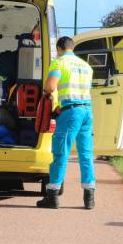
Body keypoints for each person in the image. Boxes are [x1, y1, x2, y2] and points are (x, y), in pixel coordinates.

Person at [36, 36, 95, 210]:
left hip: (70, 112)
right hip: (87, 111)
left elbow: (50, 87)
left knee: (61, 152)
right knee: (85, 154)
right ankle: (89, 198)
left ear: (59, 48)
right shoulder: (86, 66)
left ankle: (52, 197)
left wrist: (48, 94)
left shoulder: (59, 63)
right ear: (72, 47)